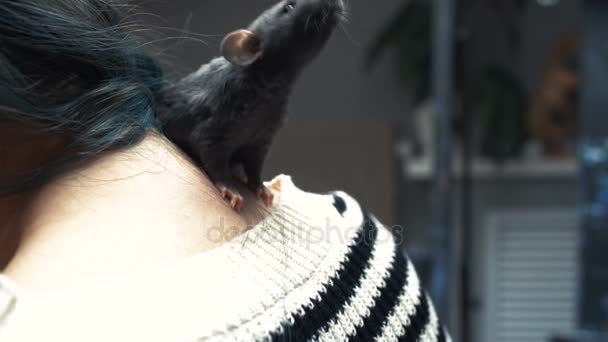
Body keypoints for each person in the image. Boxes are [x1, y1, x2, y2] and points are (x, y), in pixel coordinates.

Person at [0, 0, 450, 341]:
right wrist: (225, 180)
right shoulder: (354, 234)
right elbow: (215, 138)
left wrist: (245, 180)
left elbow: (247, 142)